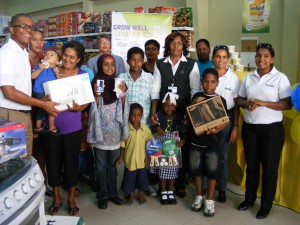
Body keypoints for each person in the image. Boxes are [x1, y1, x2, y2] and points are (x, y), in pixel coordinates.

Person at [237, 43, 292, 219]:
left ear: (272, 59)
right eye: (259, 55)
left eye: (266, 56)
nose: (262, 59)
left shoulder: (280, 78)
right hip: (250, 128)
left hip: (272, 131)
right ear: (255, 58)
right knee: (251, 167)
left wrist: (263, 102)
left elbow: (287, 104)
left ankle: (265, 206)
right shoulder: (249, 77)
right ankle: (249, 199)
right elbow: (239, 99)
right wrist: (247, 104)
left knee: (269, 170)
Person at [0, 13, 58, 157]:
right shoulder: (7, 54)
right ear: (11, 30)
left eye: (31, 27)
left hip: (23, 113)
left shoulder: (22, 53)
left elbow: (21, 85)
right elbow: (9, 92)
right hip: (10, 115)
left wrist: (41, 99)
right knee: (12, 164)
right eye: (23, 26)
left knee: (24, 162)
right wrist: (41, 104)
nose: (28, 30)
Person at [152, 32, 200, 198]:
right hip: (165, 113)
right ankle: (163, 183)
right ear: (168, 45)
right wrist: (154, 112)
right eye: (172, 43)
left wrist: (189, 113)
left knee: (181, 148)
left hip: (183, 112)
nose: (176, 46)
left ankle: (179, 183)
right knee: (165, 147)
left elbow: (195, 90)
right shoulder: (160, 64)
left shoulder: (191, 64)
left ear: (184, 46)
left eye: (179, 43)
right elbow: (156, 90)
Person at [44, 41, 88, 216]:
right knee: (53, 162)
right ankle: (56, 196)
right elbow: (41, 94)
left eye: (72, 57)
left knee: (71, 162)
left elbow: (85, 101)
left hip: (72, 125)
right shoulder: (52, 71)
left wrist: (80, 108)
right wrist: (44, 96)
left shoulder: (82, 74)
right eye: (65, 55)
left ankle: (71, 197)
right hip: (52, 125)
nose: (67, 59)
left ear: (78, 59)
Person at [87, 54, 129, 210]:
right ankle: (102, 195)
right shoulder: (96, 82)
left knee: (112, 166)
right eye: (106, 64)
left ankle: (113, 193)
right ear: (100, 66)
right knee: (100, 166)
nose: (110, 67)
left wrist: (123, 94)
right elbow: (92, 108)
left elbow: (124, 107)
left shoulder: (119, 83)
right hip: (100, 133)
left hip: (115, 133)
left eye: (112, 64)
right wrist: (96, 96)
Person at [188, 68, 229, 217]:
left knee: (212, 172)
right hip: (196, 141)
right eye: (205, 81)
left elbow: (225, 121)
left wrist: (218, 129)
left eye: (212, 82)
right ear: (201, 82)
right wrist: (194, 102)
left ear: (217, 83)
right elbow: (189, 115)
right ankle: (200, 195)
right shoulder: (197, 96)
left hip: (212, 143)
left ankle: (210, 200)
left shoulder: (221, 100)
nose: (209, 85)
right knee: (196, 170)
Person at [212, 45, 240, 202]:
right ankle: (205, 187)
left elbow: (236, 105)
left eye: (224, 57)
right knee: (208, 153)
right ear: (213, 58)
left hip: (227, 119)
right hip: (209, 118)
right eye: (217, 56)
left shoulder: (233, 78)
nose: (220, 60)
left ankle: (222, 189)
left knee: (223, 155)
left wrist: (235, 126)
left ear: (228, 59)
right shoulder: (208, 74)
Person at [151, 92, 186, 205]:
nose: (169, 108)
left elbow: (186, 130)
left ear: (175, 106)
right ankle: (163, 191)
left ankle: (170, 191)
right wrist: (157, 128)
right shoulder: (159, 115)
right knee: (162, 168)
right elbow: (154, 125)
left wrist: (183, 141)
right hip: (162, 144)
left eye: (172, 105)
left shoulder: (180, 116)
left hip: (174, 146)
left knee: (173, 169)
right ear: (162, 106)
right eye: (166, 105)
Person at [116, 103, 153, 205]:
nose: (136, 118)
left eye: (139, 115)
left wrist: (149, 157)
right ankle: (131, 196)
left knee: (142, 180)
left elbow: (151, 142)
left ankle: (140, 196)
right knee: (130, 180)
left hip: (142, 161)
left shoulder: (145, 129)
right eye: (133, 115)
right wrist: (120, 157)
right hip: (130, 161)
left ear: (142, 115)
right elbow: (123, 145)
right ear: (129, 115)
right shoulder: (126, 129)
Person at [118, 47, 154, 125]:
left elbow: (153, 98)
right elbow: (118, 101)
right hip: (125, 123)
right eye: (133, 60)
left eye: (139, 60)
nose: (136, 63)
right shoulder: (121, 78)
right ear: (127, 61)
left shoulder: (149, 78)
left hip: (144, 123)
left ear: (143, 61)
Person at [31, 50, 60, 135]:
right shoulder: (38, 66)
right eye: (46, 54)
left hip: (51, 91)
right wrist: (40, 68)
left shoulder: (56, 69)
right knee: (45, 107)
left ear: (57, 61)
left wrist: (57, 73)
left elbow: (60, 81)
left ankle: (45, 126)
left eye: (52, 55)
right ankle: (43, 126)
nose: (48, 56)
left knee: (49, 108)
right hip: (39, 91)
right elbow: (32, 76)